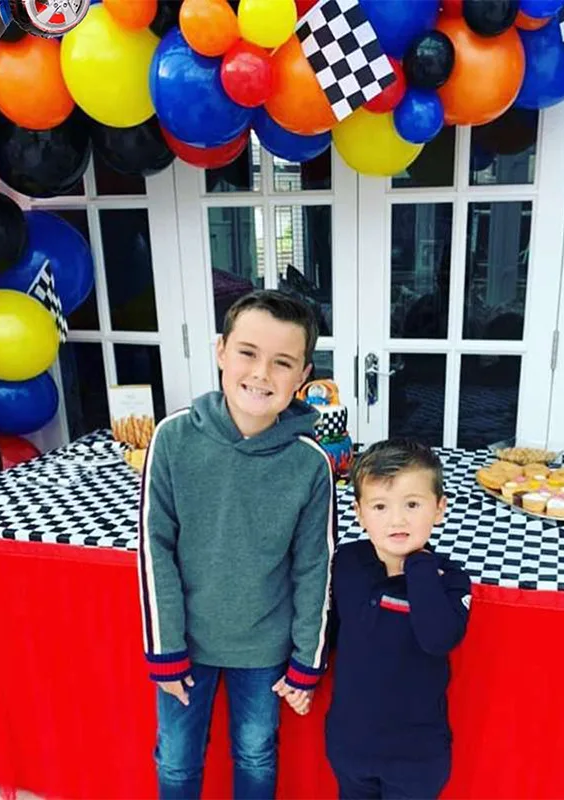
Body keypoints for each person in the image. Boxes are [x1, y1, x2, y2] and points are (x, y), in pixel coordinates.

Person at [138, 290, 336, 799]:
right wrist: (165, 649)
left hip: (264, 648)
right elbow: (154, 550)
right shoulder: (172, 438)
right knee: (176, 760)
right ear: (222, 351)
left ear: (302, 375)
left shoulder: (311, 464)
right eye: (248, 352)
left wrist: (306, 659)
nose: (262, 373)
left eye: (282, 362)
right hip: (186, 642)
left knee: (256, 752)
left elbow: (314, 568)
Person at [325, 439, 471, 799]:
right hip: (350, 745)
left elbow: (438, 638)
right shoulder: (346, 562)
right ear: (359, 513)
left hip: (416, 756)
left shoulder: (449, 579)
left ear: (439, 509)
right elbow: (329, 632)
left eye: (412, 504)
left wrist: (418, 565)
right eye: (380, 506)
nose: (397, 519)